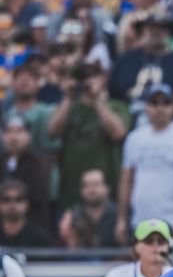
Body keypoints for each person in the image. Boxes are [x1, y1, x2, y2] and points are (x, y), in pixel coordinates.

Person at [117, 83, 173, 242]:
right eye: (154, 103)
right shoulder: (134, 138)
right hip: (140, 221)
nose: (160, 108)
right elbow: (127, 180)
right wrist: (122, 219)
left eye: (166, 103)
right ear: (146, 107)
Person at [50, 62, 130, 216]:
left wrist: (97, 100)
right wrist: (68, 97)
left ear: (103, 78)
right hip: (71, 192)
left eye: (91, 76)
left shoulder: (116, 106)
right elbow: (52, 132)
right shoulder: (68, 107)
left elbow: (118, 132)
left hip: (108, 192)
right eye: (80, 78)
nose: (85, 81)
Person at [0, 115, 51, 227]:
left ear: (29, 136)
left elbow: (36, 195)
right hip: (0, 225)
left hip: (31, 225)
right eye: (9, 131)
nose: (13, 137)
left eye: (19, 131)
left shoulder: (38, 162)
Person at [59, 169, 119, 248]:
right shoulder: (74, 214)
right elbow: (71, 251)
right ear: (81, 191)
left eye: (96, 184)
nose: (91, 190)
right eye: (86, 185)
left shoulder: (119, 215)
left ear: (107, 188)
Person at [0, 179, 52, 248]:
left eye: (19, 199)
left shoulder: (40, 237)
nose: (12, 204)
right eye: (6, 199)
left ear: (27, 205)